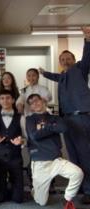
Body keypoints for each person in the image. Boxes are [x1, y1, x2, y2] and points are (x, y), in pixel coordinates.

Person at [39, 26, 90, 204]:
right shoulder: (62, 76)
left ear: (74, 60)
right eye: (63, 59)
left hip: (80, 117)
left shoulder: (80, 69)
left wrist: (87, 39)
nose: (66, 61)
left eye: (68, 58)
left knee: (85, 155)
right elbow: (54, 76)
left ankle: (89, 191)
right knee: (73, 157)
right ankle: (80, 189)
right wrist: (44, 73)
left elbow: (88, 56)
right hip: (67, 119)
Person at [25, 94, 84, 207]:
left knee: (77, 173)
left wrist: (44, 127)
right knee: (41, 202)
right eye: (32, 103)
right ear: (31, 107)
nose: (35, 103)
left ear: (43, 101)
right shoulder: (30, 119)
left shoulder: (55, 118)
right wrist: (52, 127)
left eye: (37, 100)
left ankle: (67, 198)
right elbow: (34, 136)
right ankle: (35, 189)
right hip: (40, 163)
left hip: (56, 160)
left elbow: (63, 128)